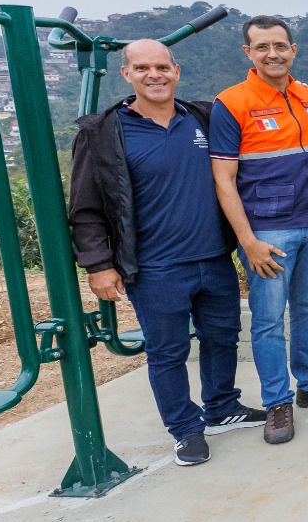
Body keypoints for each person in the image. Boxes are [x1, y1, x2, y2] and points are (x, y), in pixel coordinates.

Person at [69, 40, 264, 466]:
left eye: (162, 67)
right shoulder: (103, 132)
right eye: (142, 68)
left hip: (214, 258)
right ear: (127, 74)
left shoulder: (202, 117)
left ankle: (222, 407)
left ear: (177, 71)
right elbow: (85, 208)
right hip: (155, 268)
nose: (154, 75)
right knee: (168, 351)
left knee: (222, 338)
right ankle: (185, 429)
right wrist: (98, 265)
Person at [211, 16, 308, 446]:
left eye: (280, 46)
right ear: (248, 53)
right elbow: (223, 180)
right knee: (269, 321)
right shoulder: (232, 102)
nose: (272, 54)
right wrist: (248, 241)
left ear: (294, 50)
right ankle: (277, 402)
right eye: (262, 47)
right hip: (268, 232)